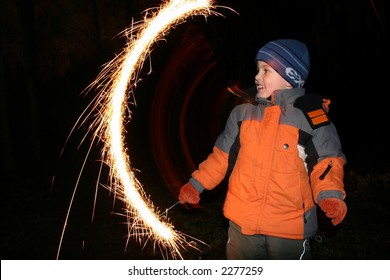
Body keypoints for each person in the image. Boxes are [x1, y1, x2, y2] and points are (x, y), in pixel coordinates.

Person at [178, 39, 347, 260]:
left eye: (266, 70)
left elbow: (327, 161)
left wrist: (329, 195)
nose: (257, 77)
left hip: (289, 227)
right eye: (257, 70)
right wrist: (196, 184)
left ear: (290, 78)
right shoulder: (243, 113)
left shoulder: (311, 117)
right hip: (241, 223)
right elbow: (221, 156)